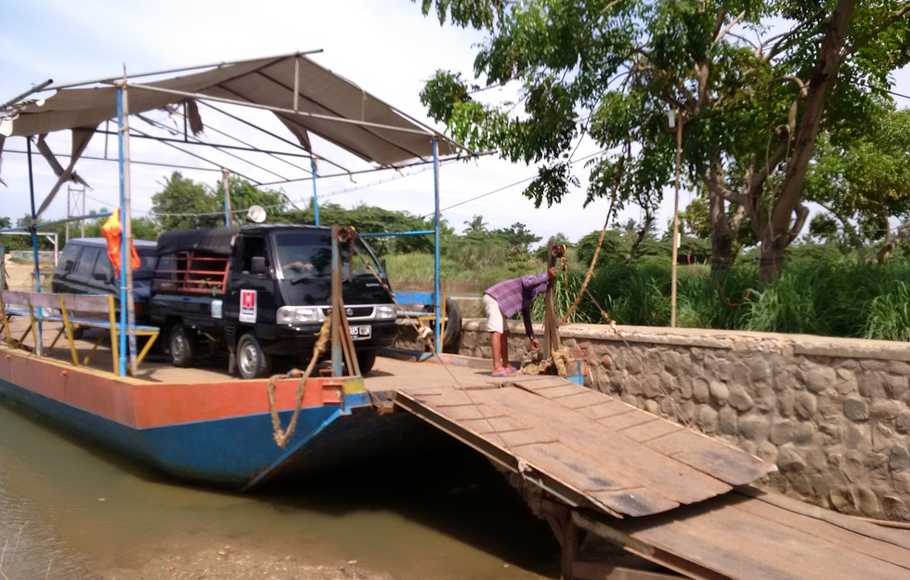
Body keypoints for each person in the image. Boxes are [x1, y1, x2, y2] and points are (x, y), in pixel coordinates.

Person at [482, 268, 557, 377]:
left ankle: (506, 365)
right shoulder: (531, 280)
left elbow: (526, 317)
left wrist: (532, 337)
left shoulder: (529, 295)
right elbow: (528, 282)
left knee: (504, 332)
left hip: (498, 303)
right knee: (497, 331)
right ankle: (497, 367)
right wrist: (547, 275)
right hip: (493, 298)